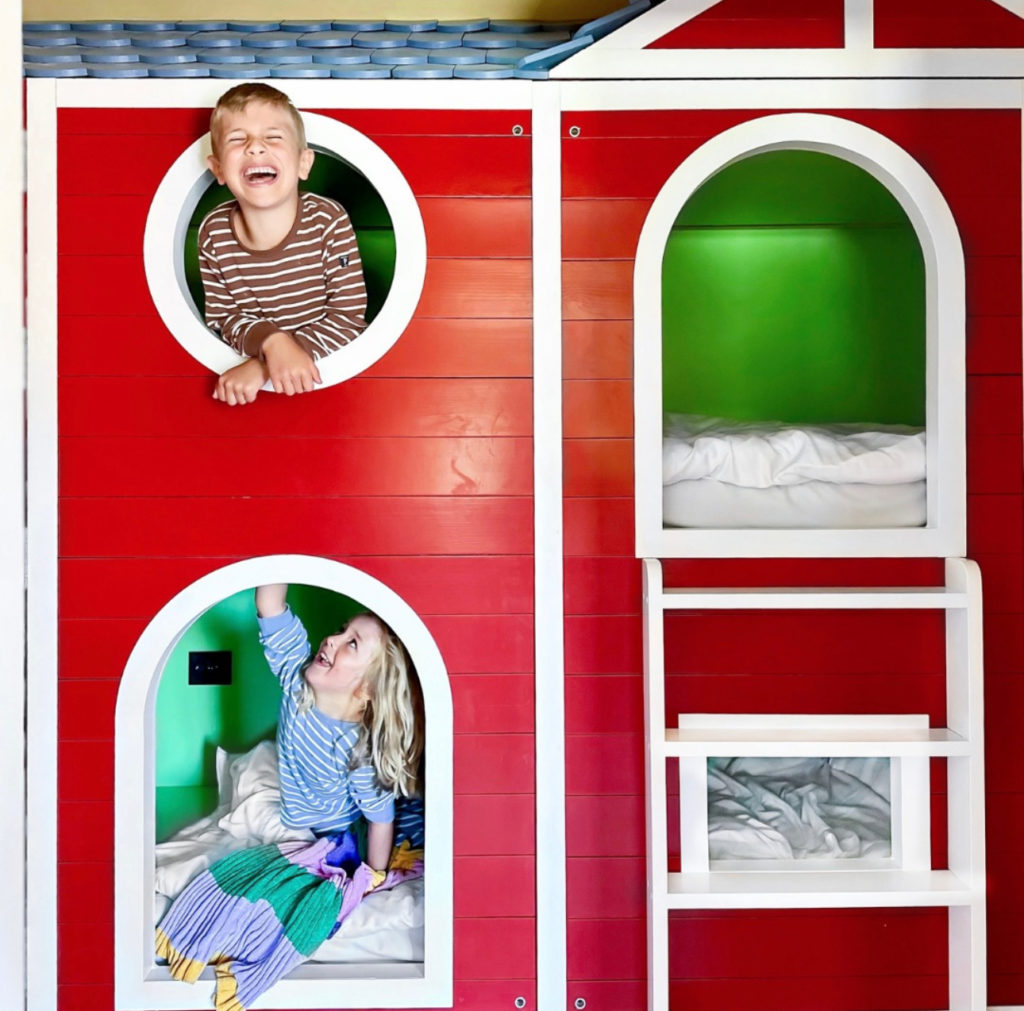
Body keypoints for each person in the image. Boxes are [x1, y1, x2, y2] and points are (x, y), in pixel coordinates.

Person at [199, 83, 368, 406]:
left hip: (336, 370)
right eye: (237, 139)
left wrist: (266, 362)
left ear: (304, 164)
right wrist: (271, 342)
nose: (255, 148)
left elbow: (347, 318)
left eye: (273, 137)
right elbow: (224, 318)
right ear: (218, 169)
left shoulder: (327, 219)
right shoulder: (214, 232)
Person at [254, 583, 424, 870]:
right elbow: (270, 606)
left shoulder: (359, 752)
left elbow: (380, 822)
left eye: (352, 643)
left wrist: (373, 878)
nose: (332, 639)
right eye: (341, 630)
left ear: (368, 688)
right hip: (297, 820)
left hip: (339, 832)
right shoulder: (296, 678)